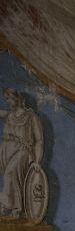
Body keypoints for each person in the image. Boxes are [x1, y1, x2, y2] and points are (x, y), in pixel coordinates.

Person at [0, 88, 43, 220]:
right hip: (7, 151)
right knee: (12, 179)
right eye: (7, 98)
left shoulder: (31, 117)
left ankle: (15, 209)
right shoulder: (10, 115)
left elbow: (39, 140)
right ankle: (9, 208)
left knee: (9, 175)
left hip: (23, 151)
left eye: (10, 98)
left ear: (17, 99)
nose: (8, 101)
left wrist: (37, 160)